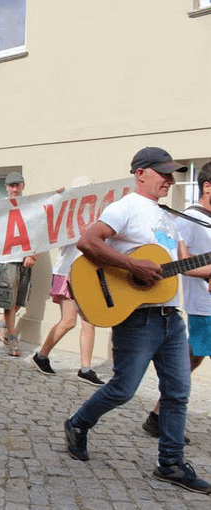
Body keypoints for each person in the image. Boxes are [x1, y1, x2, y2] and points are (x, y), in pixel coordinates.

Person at [64, 146, 211, 494]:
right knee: (124, 389)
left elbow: (179, 265)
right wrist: (131, 265)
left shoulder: (169, 218)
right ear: (140, 172)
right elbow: (88, 241)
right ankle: (78, 422)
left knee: (177, 392)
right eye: (163, 173)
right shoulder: (126, 207)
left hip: (170, 316)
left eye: (172, 173)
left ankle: (171, 463)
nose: (170, 180)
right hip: (135, 317)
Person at [142, 161, 211, 442]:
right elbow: (179, 264)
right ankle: (162, 418)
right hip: (202, 306)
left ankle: (158, 416)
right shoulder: (191, 220)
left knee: (191, 359)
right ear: (207, 186)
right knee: (189, 360)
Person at [31, 241, 105, 386]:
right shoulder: (69, 221)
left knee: (87, 321)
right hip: (66, 273)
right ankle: (41, 357)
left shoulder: (96, 220)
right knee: (69, 321)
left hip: (87, 274)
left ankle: (84, 369)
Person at [0, 172, 37, 357]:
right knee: (9, 302)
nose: (15, 189)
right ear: (6, 187)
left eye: (18, 185)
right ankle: (12, 339)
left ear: (23, 186)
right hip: (7, 259)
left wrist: (34, 254)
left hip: (25, 260)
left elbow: (39, 232)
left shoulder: (31, 207)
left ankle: (1, 325)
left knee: (20, 301)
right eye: (11, 185)